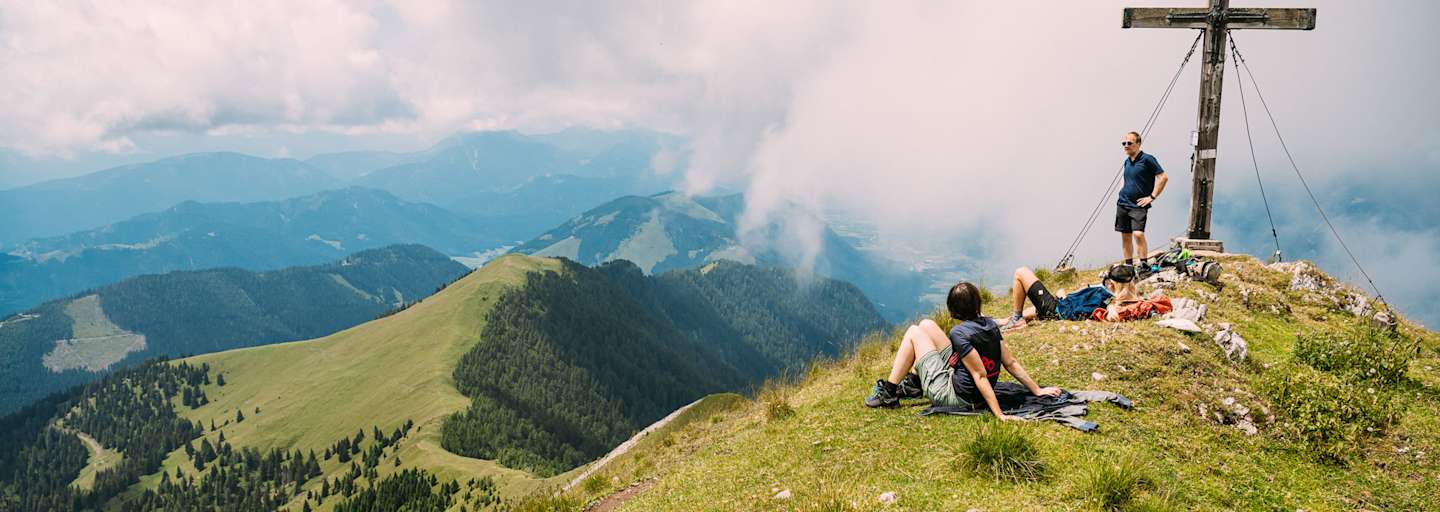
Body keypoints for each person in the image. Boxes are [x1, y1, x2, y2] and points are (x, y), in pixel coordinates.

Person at [864, 281, 1060, 420]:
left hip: (954, 395)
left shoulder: (959, 333)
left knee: (914, 332)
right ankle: (915, 384)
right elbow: (1010, 363)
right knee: (927, 324)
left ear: (953, 310)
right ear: (977, 304)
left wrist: (999, 414)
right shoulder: (990, 325)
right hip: (960, 380)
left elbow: (980, 375)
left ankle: (888, 393)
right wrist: (1037, 390)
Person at [1001, 265, 1139, 331]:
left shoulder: (1105, 297)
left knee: (1021, 272)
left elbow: (1077, 311)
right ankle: (995, 323)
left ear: (1112, 283)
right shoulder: (1117, 298)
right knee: (1026, 314)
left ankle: (1017, 319)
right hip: (1058, 307)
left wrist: (1063, 297)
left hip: (1057, 309)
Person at [1117, 131, 1168, 271]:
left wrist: (1151, 197)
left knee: (1138, 234)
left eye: (1129, 143)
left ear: (1138, 144)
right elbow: (1128, 179)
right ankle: (1129, 265)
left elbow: (1163, 177)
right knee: (1125, 235)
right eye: (1124, 143)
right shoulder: (1127, 161)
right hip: (1123, 203)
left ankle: (1144, 264)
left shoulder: (1147, 159)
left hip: (1138, 204)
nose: (1126, 146)